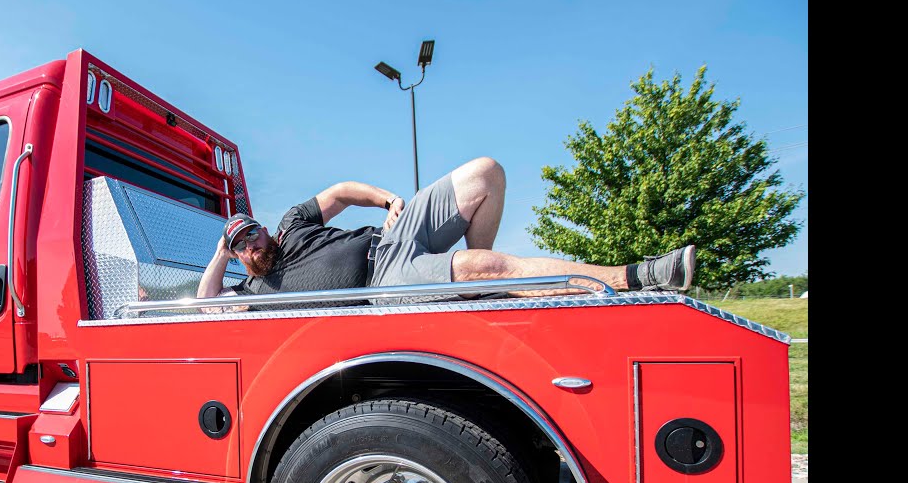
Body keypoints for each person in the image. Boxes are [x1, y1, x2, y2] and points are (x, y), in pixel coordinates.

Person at [197, 156, 695, 309]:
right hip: (382, 284)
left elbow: (343, 192)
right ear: (236, 252)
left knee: (486, 173)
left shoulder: (289, 226)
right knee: (490, 268)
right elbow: (205, 298)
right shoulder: (253, 288)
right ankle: (637, 276)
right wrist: (220, 250)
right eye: (241, 243)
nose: (254, 242)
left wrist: (391, 200)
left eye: (253, 232)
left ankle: (487, 287)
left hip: (390, 239)